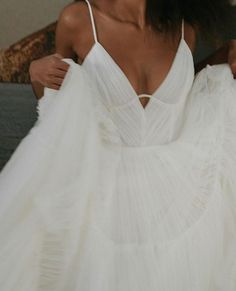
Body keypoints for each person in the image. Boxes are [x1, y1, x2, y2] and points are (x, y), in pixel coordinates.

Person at [0, 1, 236, 290]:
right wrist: (37, 73)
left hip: (178, 192)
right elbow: (58, 113)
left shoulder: (185, 25)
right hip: (101, 192)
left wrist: (224, 56)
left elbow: (182, 94)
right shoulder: (78, 19)